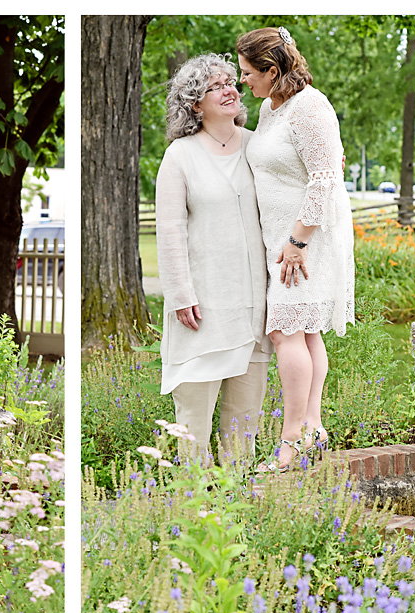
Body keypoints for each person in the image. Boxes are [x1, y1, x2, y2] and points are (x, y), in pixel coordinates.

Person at [237, 27, 355, 472]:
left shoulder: (309, 106)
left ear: (272, 70)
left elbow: (324, 177)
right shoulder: (272, 108)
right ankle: (312, 428)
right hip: (284, 239)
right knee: (304, 331)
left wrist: (297, 242)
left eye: (248, 72)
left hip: (306, 238)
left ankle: (290, 441)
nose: (242, 80)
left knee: (285, 331)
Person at [155, 53, 271, 463]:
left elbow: (299, 182)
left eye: (231, 82)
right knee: (192, 426)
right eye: (215, 85)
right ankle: (192, 512)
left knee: (243, 428)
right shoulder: (180, 156)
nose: (230, 89)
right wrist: (181, 294)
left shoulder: (260, 146)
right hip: (200, 310)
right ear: (194, 103)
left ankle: (236, 516)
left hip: (252, 308)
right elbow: (169, 231)